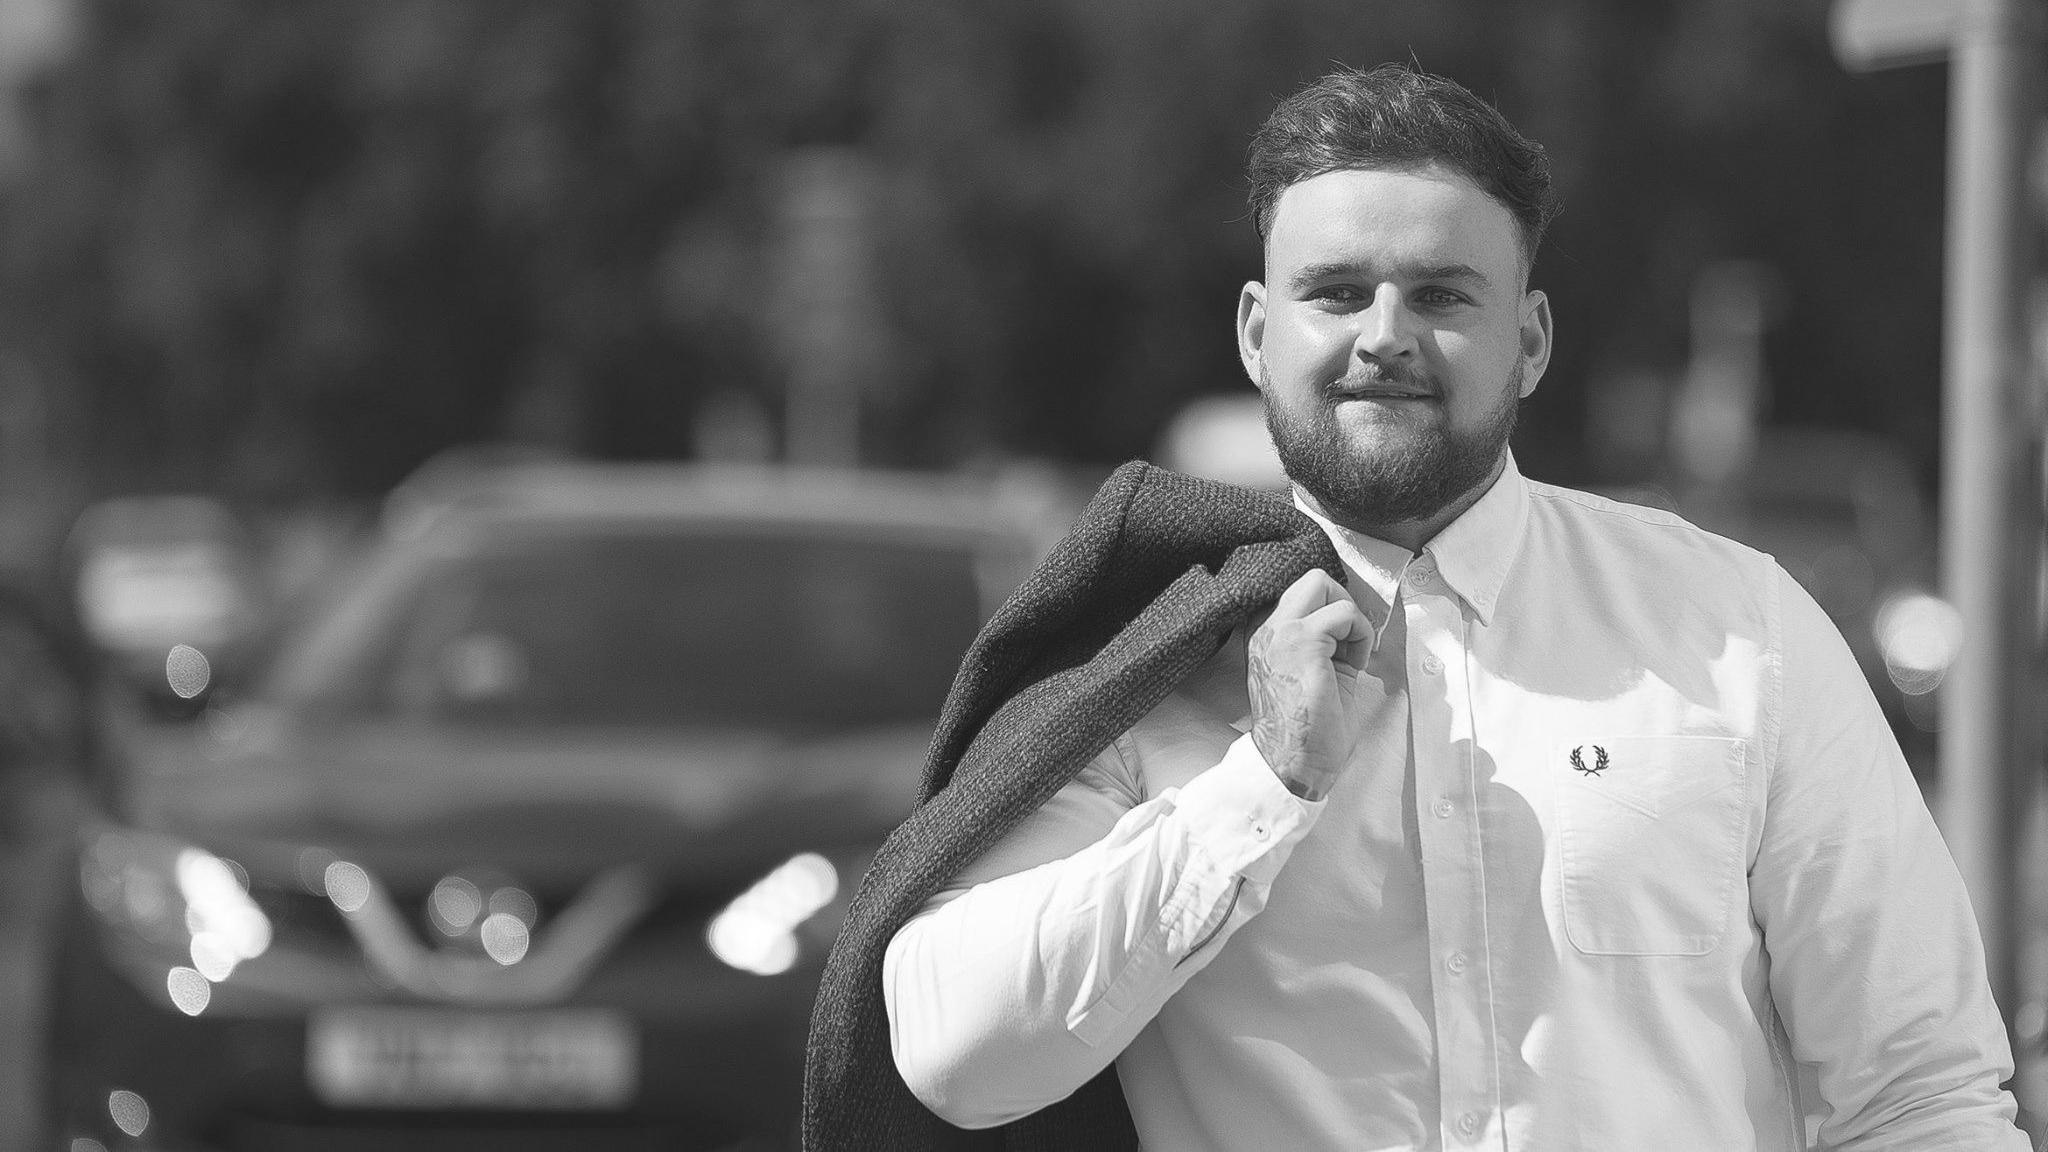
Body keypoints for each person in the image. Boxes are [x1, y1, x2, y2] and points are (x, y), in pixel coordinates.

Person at [803, 63, 2031, 1150]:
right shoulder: (1151, 654)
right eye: (1334, 292)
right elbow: (952, 1061)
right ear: (1254, 331)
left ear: (1531, 341)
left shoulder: (1734, 629)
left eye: (1442, 296)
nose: (1384, 337)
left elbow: (1917, 1090)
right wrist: (1258, 792)